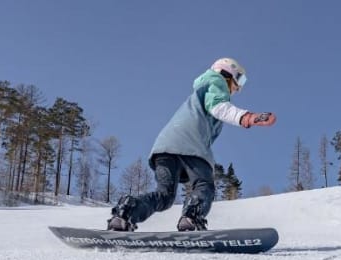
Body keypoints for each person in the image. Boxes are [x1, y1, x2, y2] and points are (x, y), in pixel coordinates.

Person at [107, 57, 276, 232]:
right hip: (191, 145)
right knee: (204, 184)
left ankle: (125, 212)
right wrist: (247, 117)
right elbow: (219, 107)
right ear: (227, 73)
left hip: (165, 148)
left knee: (164, 196)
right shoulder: (216, 83)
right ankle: (191, 217)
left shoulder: (199, 92)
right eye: (240, 79)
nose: (239, 88)